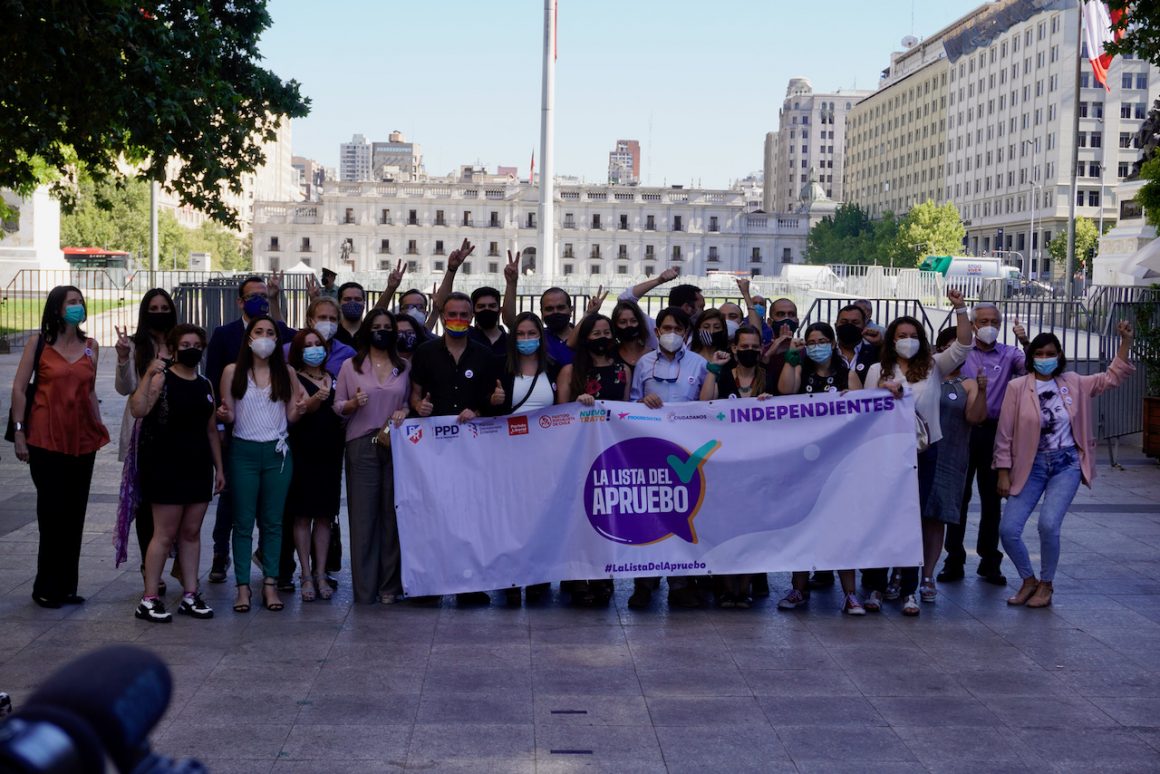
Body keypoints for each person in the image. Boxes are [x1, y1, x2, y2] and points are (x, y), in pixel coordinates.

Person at [996, 324, 1136, 609]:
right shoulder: (1017, 387)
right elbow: (1005, 433)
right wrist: (1003, 471)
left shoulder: (1073, 382)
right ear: (1031, 356)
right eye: (1039, 353)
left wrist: (1126, 341)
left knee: (1049, 524)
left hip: (1066, 464)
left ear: (1059, 355)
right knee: (1009, 529)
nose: (1045, 358)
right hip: (1030, 465)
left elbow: (1112, 377)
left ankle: (1046, 584)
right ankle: (1028, 580)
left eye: (1050, 353)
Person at [859, 289, 972, 616]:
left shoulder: (934, 366)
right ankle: (877, 586)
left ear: (921, 339)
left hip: (923, 451)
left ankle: (909, 589)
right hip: (885, 452)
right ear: (890, 340)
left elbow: (964, 344)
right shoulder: (876, 371)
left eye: (912, 335)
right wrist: (882, 390)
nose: (907, 340)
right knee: (882, 518)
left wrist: (961, 309)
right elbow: (862, 411)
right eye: (900, 335)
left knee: (914, 518)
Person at [12, 286, 110, 608]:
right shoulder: (38, 344)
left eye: (80, 302)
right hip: (44, 439)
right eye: (71, 302)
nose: (78, 306)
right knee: (52, 513)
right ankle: (45, 587)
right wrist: (20, 433)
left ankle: (67, 586)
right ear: (57, 308)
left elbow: (90, 392)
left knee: (74, 514)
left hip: (82, 441)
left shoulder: (91, 347)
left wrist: (99, 424)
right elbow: (19, 389)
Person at [204, 276, 296, 584]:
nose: (260, 300)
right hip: (236, 434)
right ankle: (220, 554)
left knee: (271, 513)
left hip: (271, 439)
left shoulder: (277, 334)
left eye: (264, 296)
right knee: (232, 502)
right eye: (253, 296)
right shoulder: (225, 334)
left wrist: (277, 299)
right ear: (240, 301)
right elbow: (214, 378)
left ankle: (268, 564)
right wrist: (219, 421)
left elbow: (296, 340)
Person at [130, 324, 224, 622]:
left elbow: (211, 431)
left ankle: (190, 594)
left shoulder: (205, 384)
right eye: (185, 344)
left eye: (196, 343)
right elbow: (138, 409)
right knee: (165, 533)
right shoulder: (161, 379)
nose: (191, 349)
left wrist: (219, 468)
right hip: (165, 466)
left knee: (192, 532)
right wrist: (147, 374)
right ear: (172, 348)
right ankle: (149, 598)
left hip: (198, 466)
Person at [770, 323, 865, 615]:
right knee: (802, 525)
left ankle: (850, 594)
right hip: (804, 464)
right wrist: (792, 357)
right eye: (811, 341)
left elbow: (862, 410)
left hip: (839, 463)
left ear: (833, 343)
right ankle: (799, 588)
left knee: (841, 528)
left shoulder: (847, 374)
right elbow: (785, 391)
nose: (816, 346)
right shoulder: (802, 370)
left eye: (822, 341)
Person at [410, 292, 497, 605]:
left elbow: (492, 398)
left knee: (469, 517)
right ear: (443, 316)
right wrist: (418, 407)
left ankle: (468, 584)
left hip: (472, 449)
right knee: (432, 514)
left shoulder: (484, 355)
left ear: (471, 317)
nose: (458, 319)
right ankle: (430, 585)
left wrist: (484, 408)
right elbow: (415, 394)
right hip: (433, 448)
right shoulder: (425, 352)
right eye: (452, 314)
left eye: (464, 314)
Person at [217, 316, 307, 613]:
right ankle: (242, 587)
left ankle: (270, 584)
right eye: (259, 332)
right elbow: (229, 415)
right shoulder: (232, 372)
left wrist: (302, 407)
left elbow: (292, 416)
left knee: (273, 522)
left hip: (277, 453)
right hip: (243, 451)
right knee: (242, 523)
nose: (265, 337)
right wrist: (223, 414)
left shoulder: (287, 372)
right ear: (248, 338)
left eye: (271, 332)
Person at [941, 303, 1031, 586]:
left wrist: (1026, 341)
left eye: (994, 320)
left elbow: (1032, 368)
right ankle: (953, 559)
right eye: (983, 320)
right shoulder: (962, 352)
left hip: (995, 432)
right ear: (974, 323)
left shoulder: (1009, 354)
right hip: (962, 429)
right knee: (959, 496)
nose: (989, 325)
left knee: (992, 499)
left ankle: (990, 561)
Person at [627, 307, 708, 609]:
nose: (671, 332)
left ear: (686, 332)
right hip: (650, 452)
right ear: (657, 331)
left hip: (686, 454)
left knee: (682, 515)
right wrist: (642, 402)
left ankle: (680, 583)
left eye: (677, 327)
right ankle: (644, 583)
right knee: (648, 518)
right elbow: (631, 404)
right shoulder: (643, 363)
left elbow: (707, 405)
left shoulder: (700, 364)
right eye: (665, 327)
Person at [334, 310, 411, 605]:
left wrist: (405, 410)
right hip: (361, 444)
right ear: (367, 331)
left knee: (392, 516)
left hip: (395, 444)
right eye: (376, 327)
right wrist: (352, 404)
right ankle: (365, 589)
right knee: (364, 519)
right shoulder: (350, 366)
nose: (382, 331)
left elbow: (407, 401)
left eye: (387, 327)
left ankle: (389, 586)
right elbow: (337, 405)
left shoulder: (403, 366)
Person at [556, 314, 631, 608]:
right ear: (585, 338)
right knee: (577, 516)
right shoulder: (570, 371)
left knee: (605, 515)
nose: (602, 337)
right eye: (595, 332)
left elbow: (624, 412)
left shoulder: (622, 370)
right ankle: (576, 577)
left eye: (606, 332)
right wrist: (578, 403)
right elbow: (560, 413)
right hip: (576, 453)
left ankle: (603, 576)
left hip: (609, 452)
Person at [489, 311, 561, 606]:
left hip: (544, 456)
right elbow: (487, 409)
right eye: (521, 334)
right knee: (509, 517)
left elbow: (563, 409)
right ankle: (509, 576)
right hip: (508, 454)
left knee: (540, 516)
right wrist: (491, 402)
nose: (527, 339)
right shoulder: (499, 367)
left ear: (540, 338)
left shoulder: (554, 369)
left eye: (532, 334)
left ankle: (537, 576)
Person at [699, 324, 772, 609]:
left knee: (751, 527)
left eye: (755, 346)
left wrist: (770, 402)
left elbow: (791, 402)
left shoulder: (768, 377)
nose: (750, 351)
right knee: (724, 527)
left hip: (758, 463)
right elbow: (704, 403)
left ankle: (745, 588)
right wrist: (713, 370)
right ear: (734, 348)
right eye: (745, 346)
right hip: (723, 463)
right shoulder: (723, 376)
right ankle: (725, 587)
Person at [113, 289, 178, 590]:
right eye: (154, 307)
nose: (160, 312)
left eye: (165, 307)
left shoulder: (181, 341)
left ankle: (172, 561)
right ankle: (148, 566)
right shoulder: (137, 345)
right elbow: (124, 388)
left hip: (176, 431)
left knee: (174, 501)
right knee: (146, 504)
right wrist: (124, 358)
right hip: (142, 432)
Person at [920, 327, 988, 604]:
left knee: (937, 518)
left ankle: (927, 575)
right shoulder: (924, 377)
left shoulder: (967, 383)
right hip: (920, 454)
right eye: (949, 347)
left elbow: (975, 417)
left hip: (951, 458)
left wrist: (982, 389)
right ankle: (901, 574)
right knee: (911, 515)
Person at [283, 328, 346, 602]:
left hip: (330, 453)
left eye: (317, 344)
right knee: (302, 515)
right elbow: (293, 416)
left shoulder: (333, 377)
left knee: (324, 516)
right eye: (307, 345)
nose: (313, 349)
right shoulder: (292, 376)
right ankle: (305, 574)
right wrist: (313, 400)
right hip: (302, 452)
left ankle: (321, 573)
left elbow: (339, 410)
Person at [611, 300, 652, 368]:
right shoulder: (610, 356)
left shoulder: (653, 356)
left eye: (633, 321)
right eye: (623, 322)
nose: (629, 325)